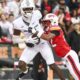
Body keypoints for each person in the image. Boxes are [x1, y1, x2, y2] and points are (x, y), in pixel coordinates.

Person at [13, 0, 65, 80]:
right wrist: (26, 40)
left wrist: (44, 32)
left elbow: (44, 25)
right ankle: (25, 71)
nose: (28, 11)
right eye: (26, 9)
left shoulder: (37, 14)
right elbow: (15, 39)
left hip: (42, 42)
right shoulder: (17, 23)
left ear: (33, 8)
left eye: (30, 9)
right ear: (21, 9)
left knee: (52, 65)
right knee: (21, 64)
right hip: (31, 45)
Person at [41, 13, 80, 80]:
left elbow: (47, 37)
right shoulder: (49, 30)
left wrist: (37, 33)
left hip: (69, 55)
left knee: (78, 75)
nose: (45, 24)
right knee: (75, 75)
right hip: (66, 57)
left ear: (53, 21)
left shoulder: (56, 28)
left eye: (47, 22)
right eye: (45, 22)